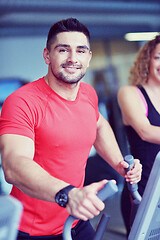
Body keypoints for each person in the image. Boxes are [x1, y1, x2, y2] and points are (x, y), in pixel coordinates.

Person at [0, 18, 142, 240]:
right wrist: (68, 194)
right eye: (63, 50)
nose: (73, 59)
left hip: (75, 220)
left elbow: (98, 124)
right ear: (47, 55)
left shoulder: (88, 93)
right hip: (34, 230)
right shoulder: (22, 102)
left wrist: (119, 163)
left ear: (89, 57)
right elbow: (13, 165)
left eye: (80, 50)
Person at [118, 34, 160, 236]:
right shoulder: (129, 93)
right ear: (147, 60)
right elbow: (145, 131)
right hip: (143, 190)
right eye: (158, 57)